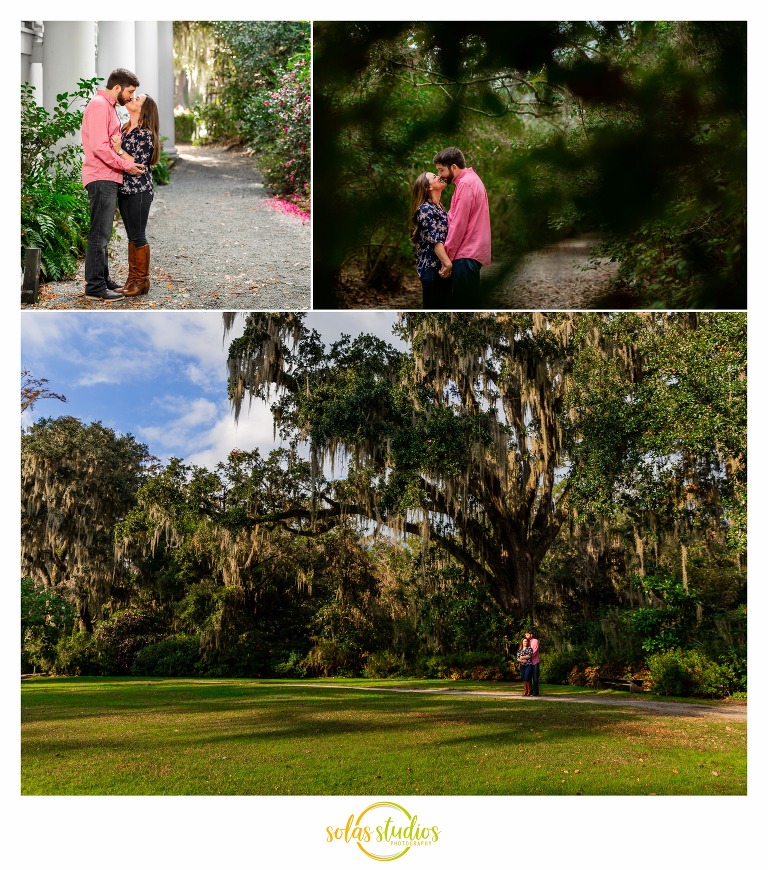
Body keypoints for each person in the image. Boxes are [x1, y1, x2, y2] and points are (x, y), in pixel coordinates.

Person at [81, 68, 146, 300]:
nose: (131, 96)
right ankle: (95, 287)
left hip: (108, 176)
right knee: (100, 234)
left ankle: (103, 279)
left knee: (103, 233)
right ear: (117, 87)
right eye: (130, 91)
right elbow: (99, 147)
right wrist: (126, 165)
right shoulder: (99, 105)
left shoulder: (107, 107)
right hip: (101, 176)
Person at [110, 93, 160, 296]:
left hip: (140, 190)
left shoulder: (145, 133)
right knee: (131, 236)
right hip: (124, 189)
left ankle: (142, 281)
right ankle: (132, 280)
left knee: (138, 235)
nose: (132, 99)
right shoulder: (124, 128)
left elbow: (137, 162)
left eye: (137, 99)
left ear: (143, 109)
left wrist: (119, 150)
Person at [433, 147, 491, 309]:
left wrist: (447, 258)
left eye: (441, 170)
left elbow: (458, 224)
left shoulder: (466, 184)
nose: (440, 175)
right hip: (470, 253)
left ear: (453, 167)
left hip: (466, 253)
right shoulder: (471, 180)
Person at [410, 171, 452, 308]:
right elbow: (436, 241)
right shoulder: (425, 209)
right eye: (434, 176)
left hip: (441, 269)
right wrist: (448, 264)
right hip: (432, 270)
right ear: (428, 187)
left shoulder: (440, 208)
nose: (439, 176)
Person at [525, 629, 540, 696]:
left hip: (535, 662)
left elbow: (534, 651)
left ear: (531, 635)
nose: (526, 635)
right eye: (525, 634)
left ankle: (536, 692)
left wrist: (527, 656)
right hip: (528, 662)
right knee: (528, 677)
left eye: (527, 634)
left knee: (535, 677)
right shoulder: (526, 641)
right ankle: (529, 691)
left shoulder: (535, 641)